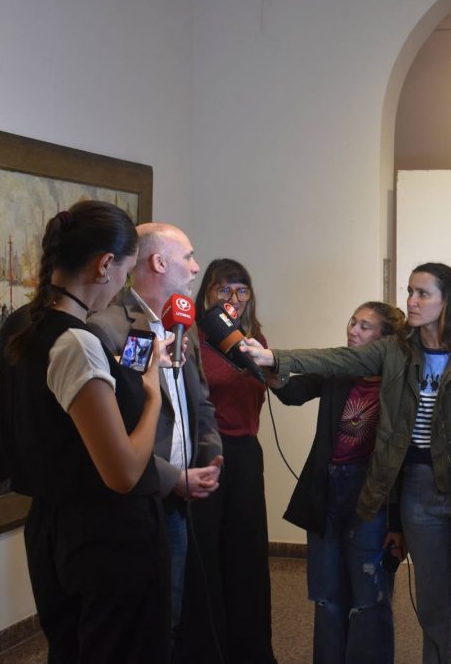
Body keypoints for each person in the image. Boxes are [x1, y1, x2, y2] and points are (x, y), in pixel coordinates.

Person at [242, 262, 451, 664]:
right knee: (432, 607)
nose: (411, 300)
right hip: (419, 493)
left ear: (448, 300)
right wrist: (273, 357)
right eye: (410, 291)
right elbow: (338, 360)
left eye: (422, 293)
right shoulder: (396, 351)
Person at [5, 201, 171, 662]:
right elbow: (122, 472)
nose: (124, 284)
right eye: (126, 270)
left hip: (53, 529)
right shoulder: (76, 342)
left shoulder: (25, 328)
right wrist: (153, 394)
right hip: (103, 539)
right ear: (104, 266)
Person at [87, 222, 223, 658]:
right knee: (141, 621)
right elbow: (120, 427)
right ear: (159, 262)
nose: (196, 266)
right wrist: (172, 478)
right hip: (139, 499)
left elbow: (200, 399)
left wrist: (212, 453)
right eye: (188, 257)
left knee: (173, 613)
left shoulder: (183, 320)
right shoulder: (110, 329)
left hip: (181, 499)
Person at [276, 300, 407, 664]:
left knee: (369, 599)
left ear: (384, 340)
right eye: (353, 321)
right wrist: (267, 366)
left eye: (365, 326)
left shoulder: (398, 382)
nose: (353, 330)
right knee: (327, 596)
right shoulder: (337, 370)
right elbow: (292, 393)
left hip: (371, 496)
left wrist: (397, 520)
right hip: (326, 490)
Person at [191, 259, 277, 663]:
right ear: (206, 293)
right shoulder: (192, 339)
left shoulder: (252, 338)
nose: (234, 299)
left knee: (247, 557)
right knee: (209, 556)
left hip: (245, 452)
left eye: (241, 291)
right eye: (224, 290)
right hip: (208, 452)